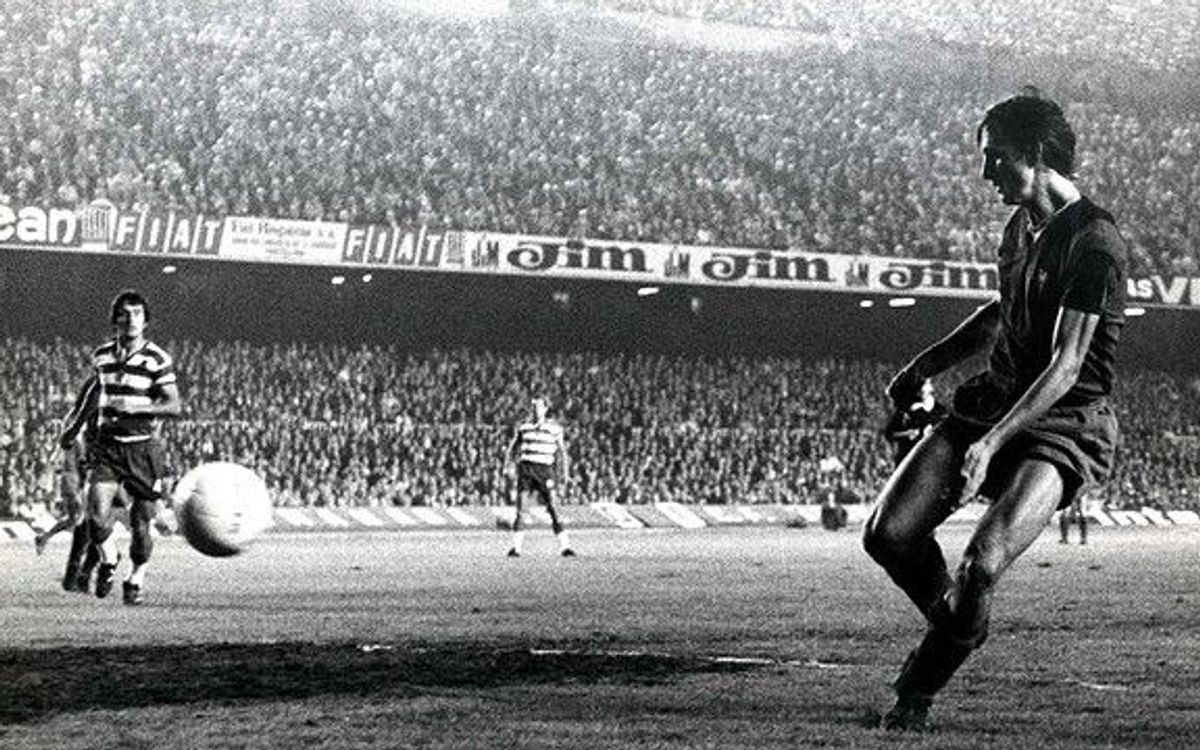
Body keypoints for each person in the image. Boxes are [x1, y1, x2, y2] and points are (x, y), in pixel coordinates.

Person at [862, 94, 1127, 731]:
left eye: (995, 159)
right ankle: (955, 625)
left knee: (982, 563)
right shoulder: (1019, 229)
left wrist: (991, 444)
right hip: (993, 403)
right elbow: (998, 314)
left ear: (1034, 155)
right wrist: (923, 367)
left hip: (1062, 423)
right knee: (887, 534)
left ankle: (915, 696)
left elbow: (1065, 367)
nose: (987, 175)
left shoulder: (1095, 243)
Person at [81, 290, 182, 606]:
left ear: (146, 321)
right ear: (115, 320)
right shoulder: (101, 355)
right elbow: (96, 396)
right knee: (96, 517)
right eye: (124, 313)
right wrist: (80, 430)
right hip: (109, 448)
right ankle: (109, 558)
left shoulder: (157, 359)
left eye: (137, 313)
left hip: (142, 450)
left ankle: (135, 579)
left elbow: (174, 405)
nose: (131, 319)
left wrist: (138, 408)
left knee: (141, 526)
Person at [504, 395, 574, 557]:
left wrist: (565, 472)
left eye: (539, 406)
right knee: (521, 509)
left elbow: (562, 452)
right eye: (533, 406)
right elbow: (513, 447)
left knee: (553, 508)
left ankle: (565, 547)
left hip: (545, 472)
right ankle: (516, 548)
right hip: (526, 471)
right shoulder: (523, 427)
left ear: (545, 409)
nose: (535, 409)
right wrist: (508, 465)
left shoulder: (554, 428)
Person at [882, 379, 948, 467]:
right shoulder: (905, 411)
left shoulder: (938, 409)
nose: (931, 386)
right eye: (926, 383)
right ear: (919, 389)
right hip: (908, 460)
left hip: (929, 459)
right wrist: (908, 433)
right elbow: (889, 434)